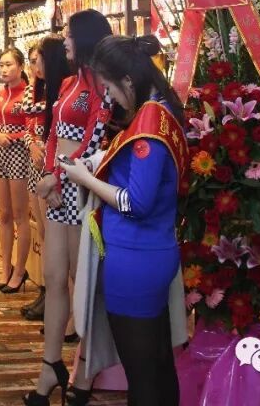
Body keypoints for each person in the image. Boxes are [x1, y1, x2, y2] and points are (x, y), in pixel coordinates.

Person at [58, 35, 187, 406]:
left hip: (134, 258)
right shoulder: (163, 111)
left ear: (128, 80)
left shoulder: (149, 121)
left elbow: (136, 202)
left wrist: (85, 179)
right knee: (158, 365)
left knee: (143, 375)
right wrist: (99, 163)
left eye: (111, 88)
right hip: (151, 252)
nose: (111, 98)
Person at [27, 10, 113, 406]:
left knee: (83, 281)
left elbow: (94, 139)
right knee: (53, 275)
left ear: (86, 37)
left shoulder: (101, 84)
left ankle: (85, 368)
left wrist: (58, 178)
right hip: (59, 189)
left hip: (80, 190)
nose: (64, 41)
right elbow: (52, 135)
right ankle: (50, 365)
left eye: (69, 34)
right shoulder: (66, 83)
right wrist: (50, 175)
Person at [20, 38, 70, 322]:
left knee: (53, 235)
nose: (34, 67)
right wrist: (31, 144)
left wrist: (45, 150)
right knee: (42, 230)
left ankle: (57, 297)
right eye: (31, 62)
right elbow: (28, 123)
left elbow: (58, 130)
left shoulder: (63, 89)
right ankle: (46, 289)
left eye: (37, 61)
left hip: (53, 166)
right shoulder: (34, 89)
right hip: (36, 161)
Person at [0, 47, 36, 294]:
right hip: (0, 154)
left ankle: (20, 270)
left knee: (20, 215)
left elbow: (33, 128)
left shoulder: (29, 94)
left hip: (20, 153)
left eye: (9, 64)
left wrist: (10, 137)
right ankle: (5, 268)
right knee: (4, 214)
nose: (4, 69)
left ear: (21, 66)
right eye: (2, 64)